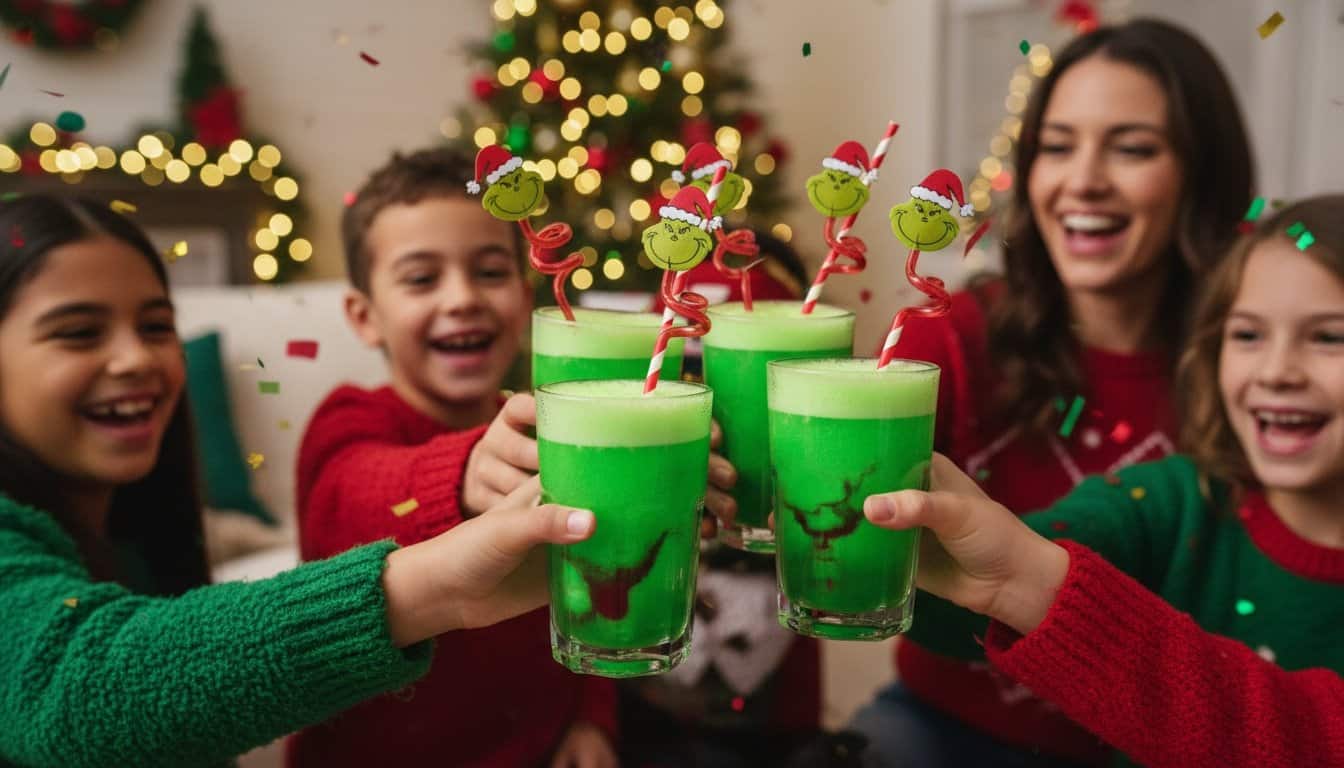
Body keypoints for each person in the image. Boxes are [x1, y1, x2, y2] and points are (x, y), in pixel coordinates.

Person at [0, 195, 597, 768]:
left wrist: (595, 713)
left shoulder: (138, 532)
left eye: (157, 327)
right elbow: (81, 684)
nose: (136, 359)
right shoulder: (353, 419)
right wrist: (442, 552)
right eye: (78, 332)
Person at [846, 18, 1254, 766]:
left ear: (1202, 173)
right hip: (946, 730)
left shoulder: (1253, 365)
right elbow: (854, 551)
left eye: (1133, 148)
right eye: (1057, 147)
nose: (1083, 179)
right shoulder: (943, 345)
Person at [863, 194, 1344, 768]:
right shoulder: (1171, 500)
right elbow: (973, 601)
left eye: (1329, 337)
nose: (1276, 372)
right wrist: (858, 539)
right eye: (1246, 335)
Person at [290, 148, 617, 767]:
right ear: (365, 316)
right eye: (421, 279)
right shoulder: (351, 419)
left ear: (524, 301)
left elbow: (584, 583)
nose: (462, 298)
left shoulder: (548, 431)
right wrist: (463, 471)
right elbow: (347, 499)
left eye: (490, 272)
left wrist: (592, 717)